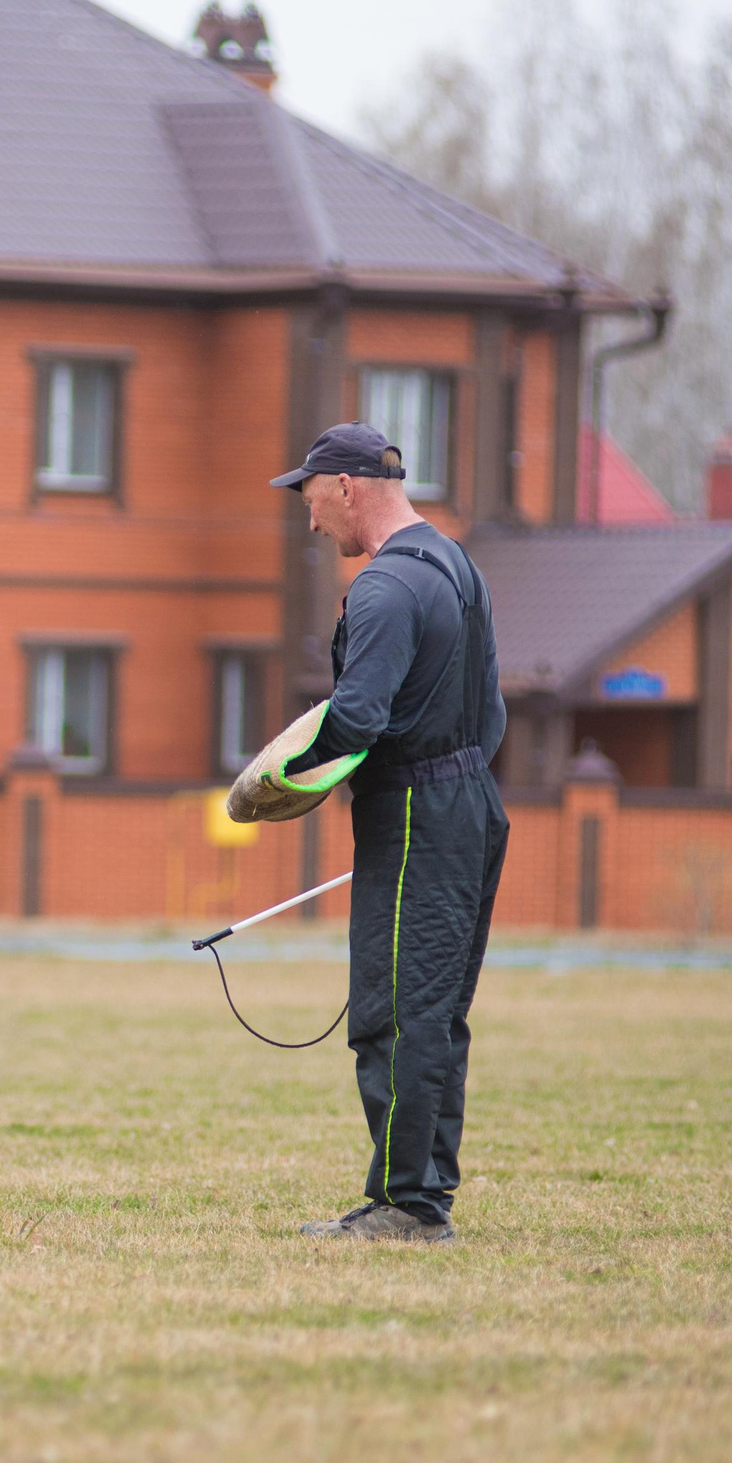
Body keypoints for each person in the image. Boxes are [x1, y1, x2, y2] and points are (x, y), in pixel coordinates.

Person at [271, 422, 508, 1244]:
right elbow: (493, 712)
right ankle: (423, 1193)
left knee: (394, 1013)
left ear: (345, 487)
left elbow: (357, 720)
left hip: (413, 813)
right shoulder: (457, 565)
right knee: (436, 1011)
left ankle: (407, 1205)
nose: (310, 523)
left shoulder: (380, 590)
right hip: (471, 801)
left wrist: (280, 784)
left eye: (310, 500)